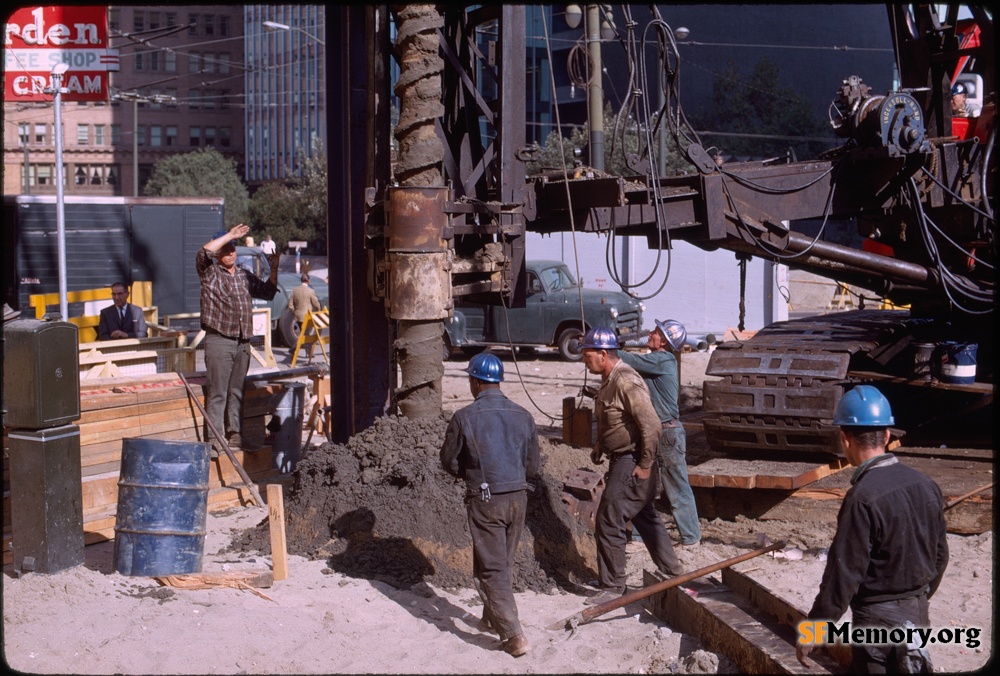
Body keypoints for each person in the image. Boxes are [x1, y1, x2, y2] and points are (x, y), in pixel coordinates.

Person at [796, 385, 949, 673]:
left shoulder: (862, 496)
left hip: (876, 623)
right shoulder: (926, 485)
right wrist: (917, 598)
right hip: (917, 613)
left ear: (845, 438)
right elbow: (940, 556)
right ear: (887, 436)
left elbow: (844, 573)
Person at [440, 352, 540, 658]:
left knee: (493, 568)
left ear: (474, 381)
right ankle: (490, 616)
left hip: (486, 499)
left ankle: (514, 635)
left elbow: (449, 461)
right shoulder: (524, 415)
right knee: (501, 563)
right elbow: (533, 466)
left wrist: (471, 474)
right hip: (518, 498)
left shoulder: (464, 417)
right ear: (498, 381)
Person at [579, 327, 684, 606]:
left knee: (608, 518)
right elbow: (617, 418)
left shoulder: (626, 379)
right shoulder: (609, 378)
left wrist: (646, 464)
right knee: (643, 515)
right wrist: (602, 443)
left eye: (587, 355)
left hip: (633, 460)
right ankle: (673, 571)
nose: (584, 360)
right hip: (623, 457)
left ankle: (613, 586)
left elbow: (650, 424)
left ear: (603, 354)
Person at [618, 318, 701, 546]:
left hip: (667, 433)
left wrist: (608, 347)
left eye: (655, 332)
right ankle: (637, 534)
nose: (650, 334)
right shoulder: (658, 360)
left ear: (663, 340)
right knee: (642, 483)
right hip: (655, 431)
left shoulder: (663, 359)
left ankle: (691, 538)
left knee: (676, 486)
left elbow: (628, 359)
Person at [197, 224, 279, 453]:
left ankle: (235, 436)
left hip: (242, 342)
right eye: (225, 249)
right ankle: (214, 441)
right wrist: (229, 235)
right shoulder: (209, 272)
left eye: (233, 248)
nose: (231, 252)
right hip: (219, 340)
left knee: (236, 392)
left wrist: (274, 269)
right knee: (218, 393)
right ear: (218, 253)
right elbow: (203, 254)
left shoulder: (243, 275)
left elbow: (268, 293)